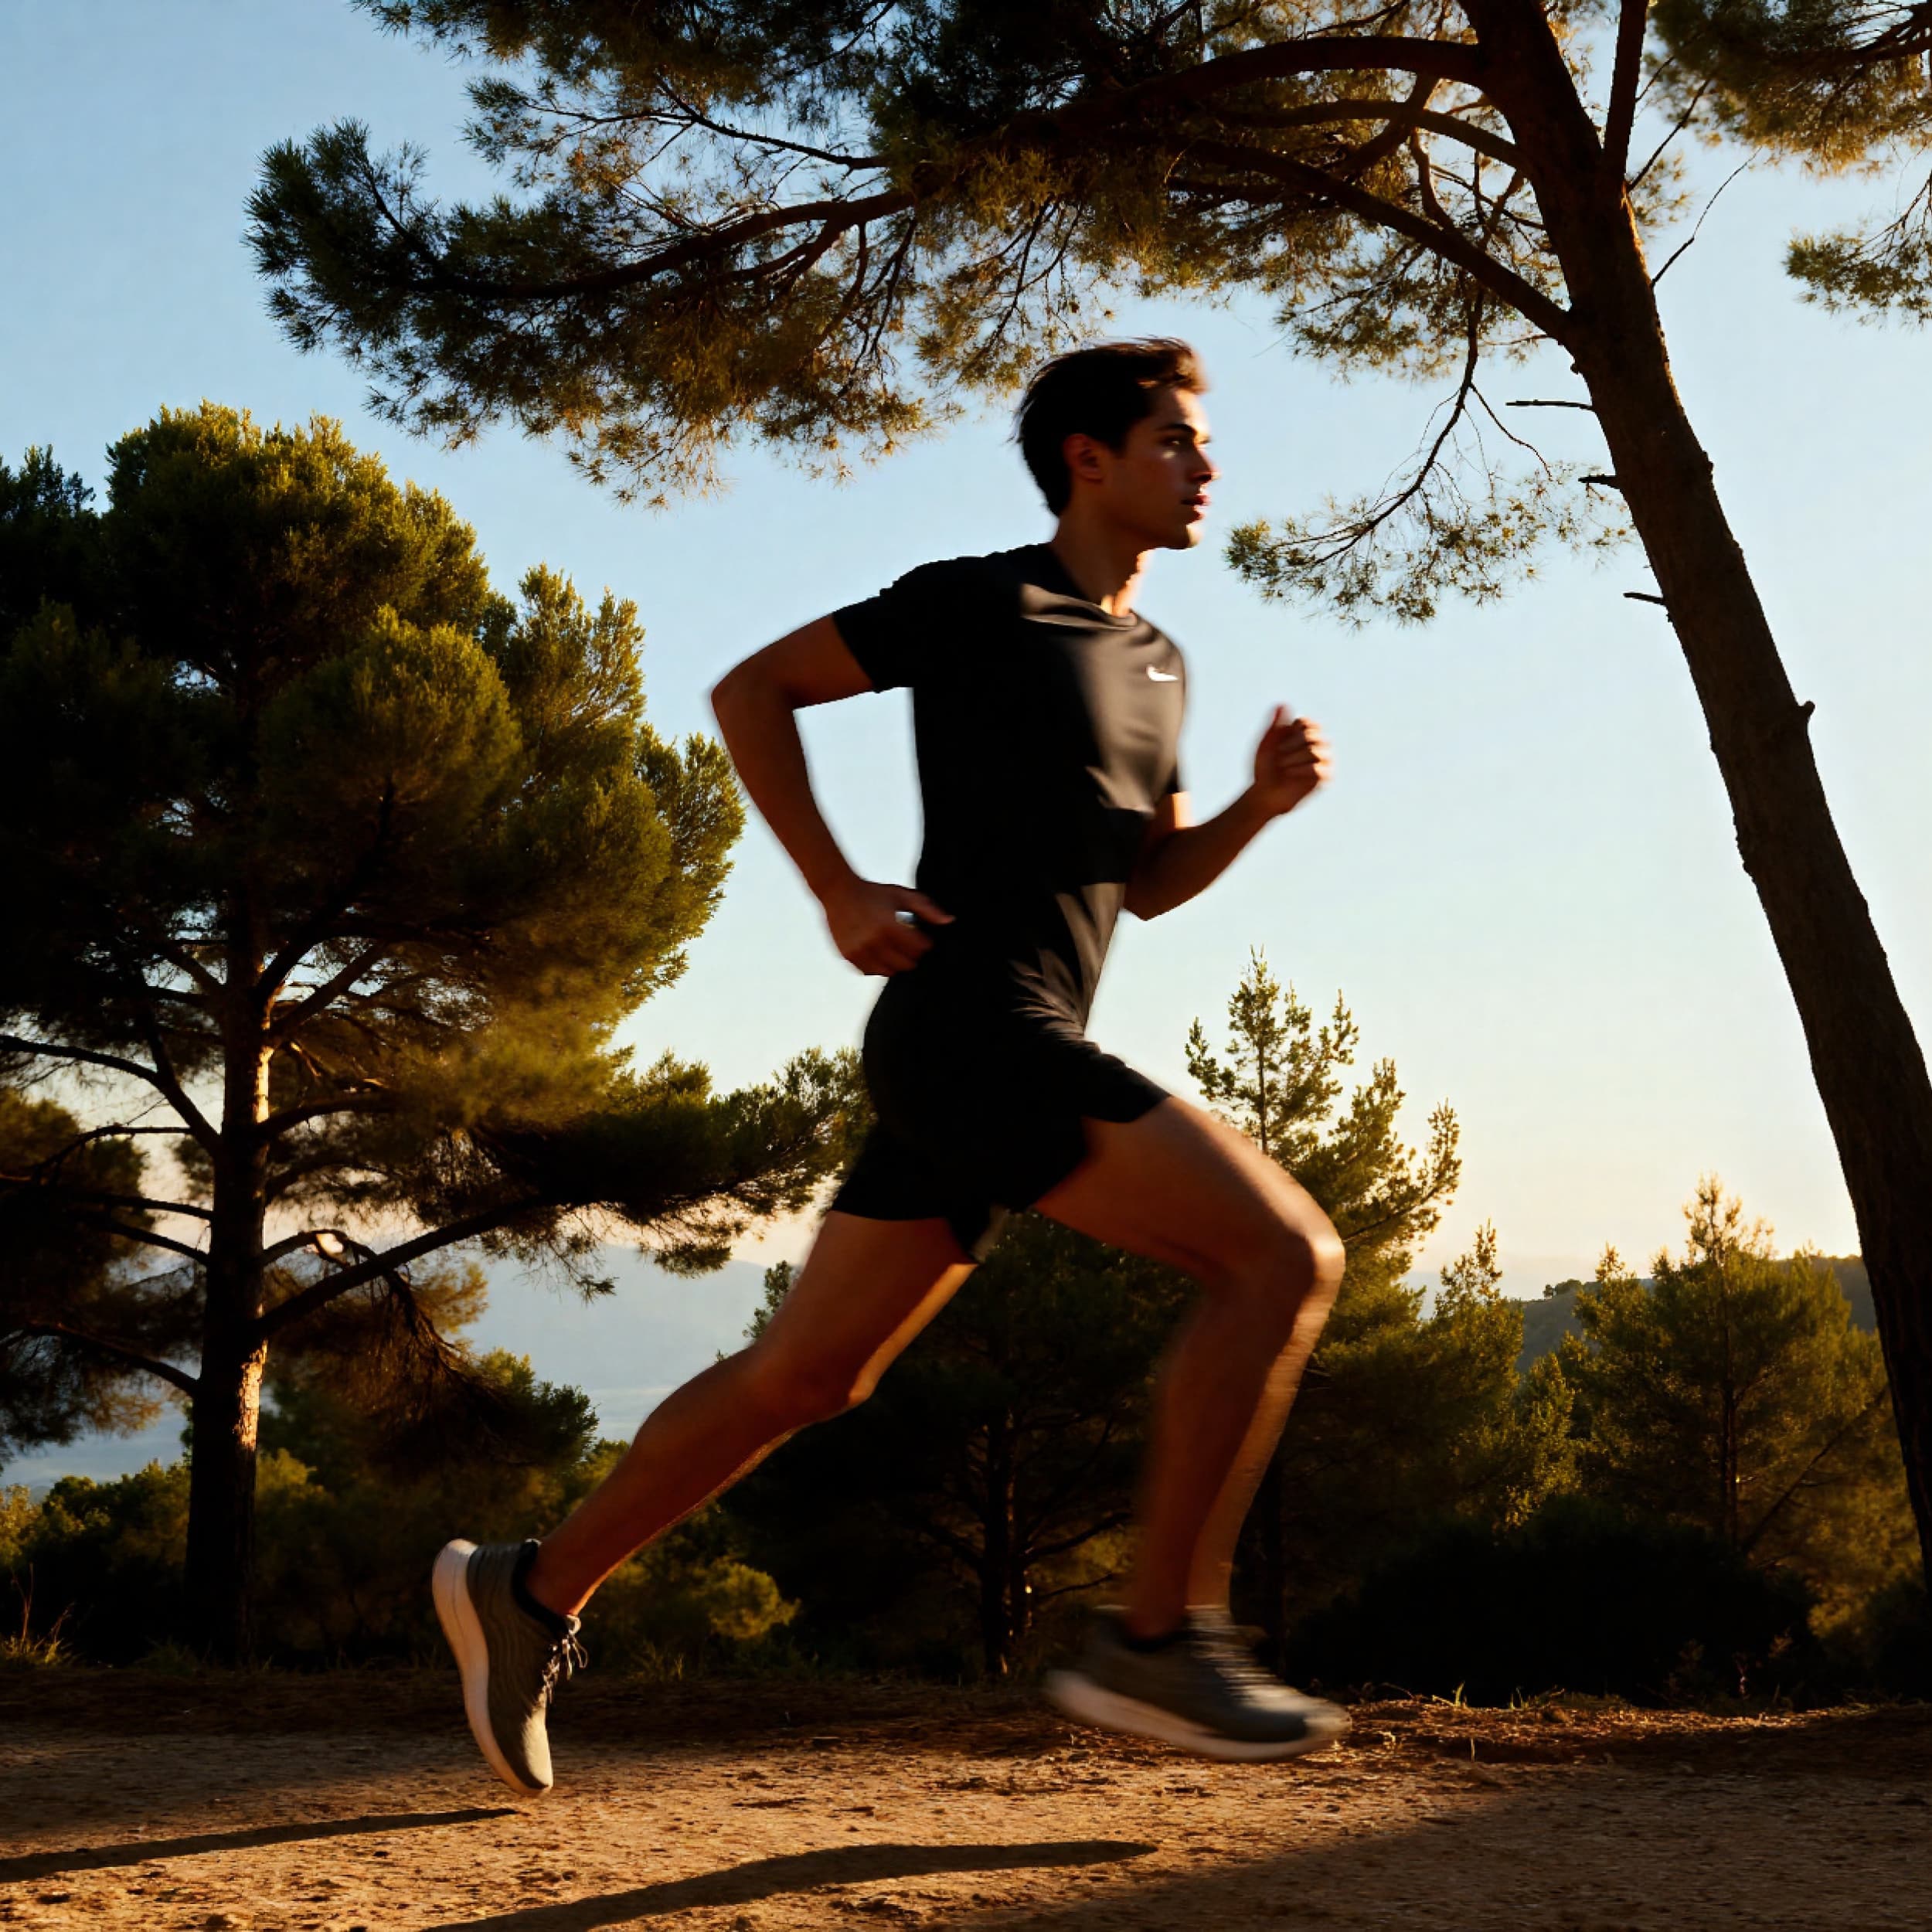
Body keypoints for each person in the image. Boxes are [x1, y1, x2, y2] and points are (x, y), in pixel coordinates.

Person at [432, 338, 1346, 1795]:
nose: (1205, 464)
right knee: (1280, 1260)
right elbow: (750, 692)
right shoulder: (980, 600)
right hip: (973, 1027)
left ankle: (527, 1591)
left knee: (807, 1379)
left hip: (1006, 1041)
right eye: (1175, 438)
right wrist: (839, 887)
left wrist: (1255, 808)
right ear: (1088, 462)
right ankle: (1158, 1639)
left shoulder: (1157, 666)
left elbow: (1150, 883)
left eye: (1201, 441)